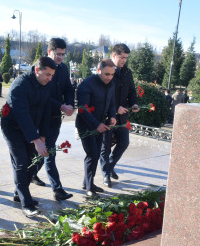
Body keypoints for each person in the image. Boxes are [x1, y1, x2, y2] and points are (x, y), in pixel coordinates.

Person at [1, 56, 56, 217]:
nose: (50, 78)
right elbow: (21, 114)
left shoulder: (46, 84)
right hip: (13, 127)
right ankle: (27, 203)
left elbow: (46, 111)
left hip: (31, 129)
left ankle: (19, 193)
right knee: (21, 162)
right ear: (37, 70)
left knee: (33, 162)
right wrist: (36, 139)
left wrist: (43, 135)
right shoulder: (20, 84)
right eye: (47, 74)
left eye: (52, 75)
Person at [31, 38, 74, 201]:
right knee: (50, 152)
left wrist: (69, 103)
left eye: (63, 54)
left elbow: (68, 88)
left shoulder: (63, 69)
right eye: (58, 54)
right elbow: (42, 95)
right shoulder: (40, 67)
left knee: (45, 152)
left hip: (56, 117)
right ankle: (57, 189)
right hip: (41, 117)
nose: (61, 58)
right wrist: (61, 106)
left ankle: (31, 173)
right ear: (49, 52)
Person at [99, 44, 139, 188]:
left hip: (122, 118)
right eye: (122, 57)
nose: (124, 61)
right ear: (114, 55)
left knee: (124, 142)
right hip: (107, 116)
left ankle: (109, 167)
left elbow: (132, 91)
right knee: (105, 147)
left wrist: (134, 103)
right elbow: (102, 95)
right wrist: (115, 109)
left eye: (126, 58)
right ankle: (106, 175)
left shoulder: (127, 72)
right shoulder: (107, 70)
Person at [76, 59, 117, 197]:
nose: (109, 77)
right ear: (98, 70)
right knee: (92, 155)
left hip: (101, 125)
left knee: (96, 153)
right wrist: (96, 125)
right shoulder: (86, 85)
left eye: (112, 74)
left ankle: (87, 182)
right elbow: (83, 109)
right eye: (106, 74)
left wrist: (112, 116)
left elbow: (112, 102)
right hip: (86, 126)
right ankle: (89, 188)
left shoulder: (111, 84)